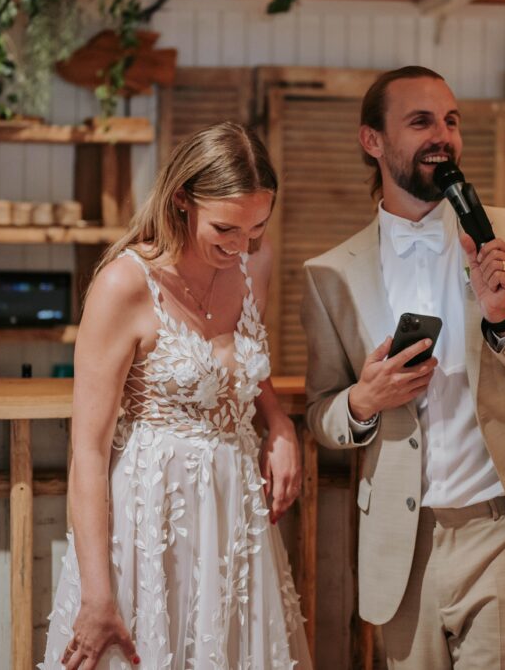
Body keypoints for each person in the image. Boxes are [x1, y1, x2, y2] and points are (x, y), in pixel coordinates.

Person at [300, 65, 505, 668]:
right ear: (372, 141)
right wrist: (363, 401)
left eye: (451, 120)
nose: (444, 135)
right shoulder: (330, 274)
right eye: (421, 121)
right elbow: (321, 414)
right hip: (402, 547)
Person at [41, 122, 311, 669]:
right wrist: (97, 594)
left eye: (256, 227)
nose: (242, 245)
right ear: (182, 199)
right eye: (226, 229)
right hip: (152, 520)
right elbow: (88, 452)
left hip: (235, 517)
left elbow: (243, 366)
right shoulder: (125, 284)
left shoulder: (253, 263)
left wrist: (278, 422)